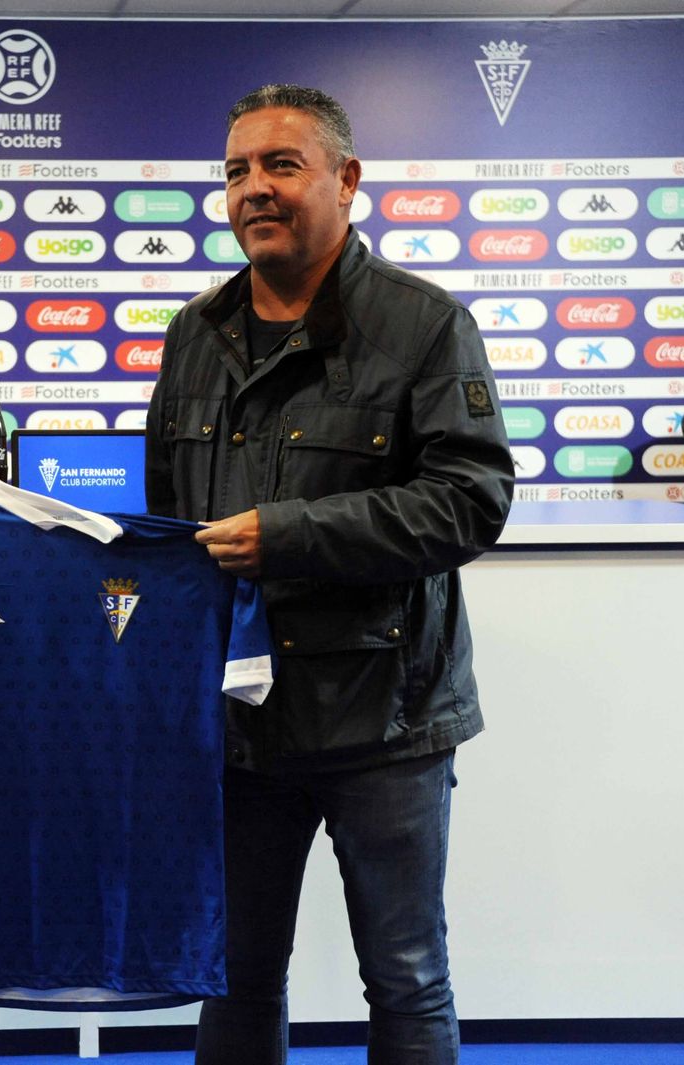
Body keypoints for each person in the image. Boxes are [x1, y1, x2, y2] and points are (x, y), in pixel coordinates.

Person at [144, 85, 514, 1065]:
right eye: (234, 171)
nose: (253, 188)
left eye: (280, 165)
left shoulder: (425, 327)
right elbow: (169, 518)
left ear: (345, 182)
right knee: (234, 974)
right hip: (239, 721)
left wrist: (290, 536)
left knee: (404, 977)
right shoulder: (195, 333)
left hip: (385, 723)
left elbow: (468, 503)